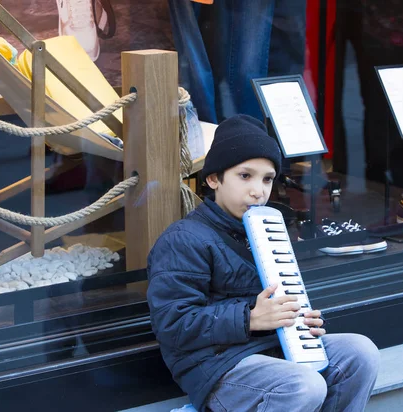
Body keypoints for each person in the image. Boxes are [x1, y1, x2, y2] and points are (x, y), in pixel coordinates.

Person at [147, 114, 381, 412]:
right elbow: (173, 324)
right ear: (213, 178)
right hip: (218, 367)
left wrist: (297, 320)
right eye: (245, 176)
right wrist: (251, 319)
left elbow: (272, 303)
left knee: (360, 353)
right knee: (304, 386)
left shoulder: (266, 228)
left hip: (273, 349)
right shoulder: (183, 239)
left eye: (267, 178)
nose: (258, 190)